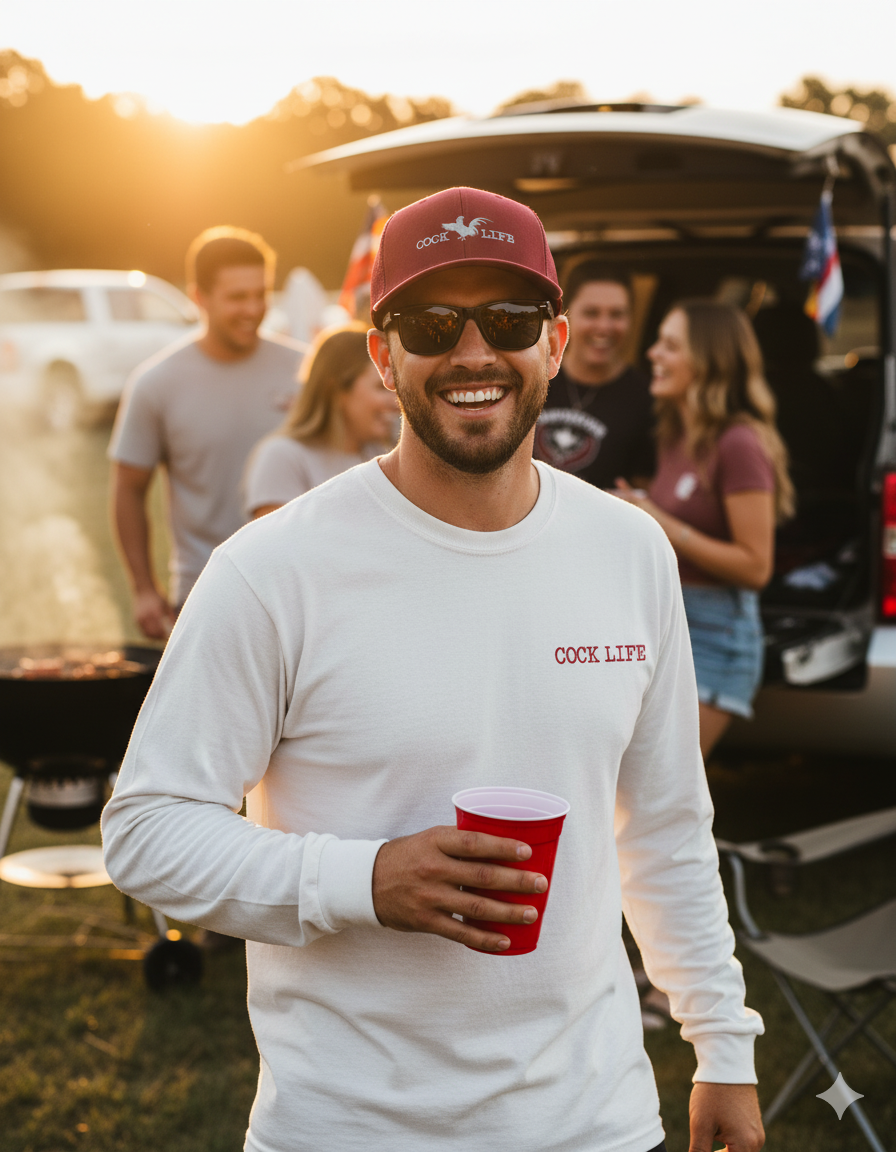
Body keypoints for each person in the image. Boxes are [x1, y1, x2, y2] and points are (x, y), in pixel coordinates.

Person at [103, 188, 764, 1152]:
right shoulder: (274, 569)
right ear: (381, 354)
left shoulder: (629, 550)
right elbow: (148, 832)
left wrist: (722, 1043)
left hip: (597, 1120)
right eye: (429, 322)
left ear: (556, 343)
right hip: (349, 1128)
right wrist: (363, 879)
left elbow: (663, 826)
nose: (472, 353)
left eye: (508, 320)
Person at [615, 300, 794, 757]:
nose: (652, 353)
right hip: (667, 627)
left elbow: (756, 567)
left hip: (717, 639)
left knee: (662, 801)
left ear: (709, 361)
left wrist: (656, 518)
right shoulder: (675, 435)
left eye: (670, 345)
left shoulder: (740, 443)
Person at [109, 226, 305, 638]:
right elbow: (128, 488)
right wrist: (144, 589)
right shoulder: (156, 384)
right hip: (203, 596)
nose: (253, 308)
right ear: (200, 297)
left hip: (301, 591)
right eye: (238, 297)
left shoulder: (305, 371)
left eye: (261, 294)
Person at [243, 322, 397, 519]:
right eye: (380, 387)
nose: (395, 400)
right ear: (337, 390)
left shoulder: (378, 453)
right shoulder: (282, 457)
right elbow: (275, 547)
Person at [534, 261, 654, 487]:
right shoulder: (533, 377)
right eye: (591, 313)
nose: (604, 326)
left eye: (617, 314)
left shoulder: (646, 399)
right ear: (565, 314)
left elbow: (643, 493)